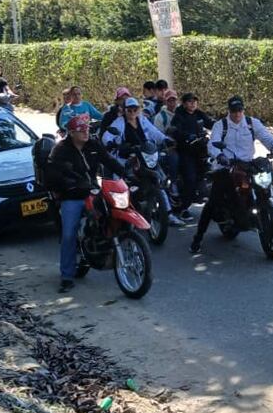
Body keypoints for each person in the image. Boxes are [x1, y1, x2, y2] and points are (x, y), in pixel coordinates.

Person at [189, 96, 273, 253]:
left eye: (239, 110)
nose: (237, 114)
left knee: (271, 175)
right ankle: (198, 238)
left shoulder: (251, 122)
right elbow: (212, 144)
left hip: (247, 163)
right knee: (213, 200)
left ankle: (262, 204)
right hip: (225, 165)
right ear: (229, 110)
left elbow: (266, 137)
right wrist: (219, 155)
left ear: (243, 109)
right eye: (234, 111)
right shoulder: (221, 125)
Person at [43, 114, 127, 293]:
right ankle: (66, 276)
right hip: (72, 196)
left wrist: (127, 173)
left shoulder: (94, 144)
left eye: (87, 129)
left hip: (94, 191)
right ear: (71, 132)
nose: (85, 132)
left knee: (115, 214)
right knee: (69, 234)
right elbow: (51, 176)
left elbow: (109, 161)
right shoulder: (60, 150)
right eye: (81, 130)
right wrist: (69, 184)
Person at [103, 96, 181, 226]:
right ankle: (121, 214)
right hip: (126, 158)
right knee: (120, 184)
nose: (132, 112)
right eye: (129, 110)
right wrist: (110, 143)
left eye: (135, 109)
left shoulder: (143, 120)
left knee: (159, 182)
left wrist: (166, 139)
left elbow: (154, 132)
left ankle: (168, 214)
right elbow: (107, 136)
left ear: (139, 109)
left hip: (145, 155)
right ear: (124, 110)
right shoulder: (119, 122)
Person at [170, 92, 214, 217]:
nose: (193, 103)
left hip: (202, 150)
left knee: (214, 172)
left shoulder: (199, 114)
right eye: (190, 101)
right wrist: (187, 136)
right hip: (186, 152)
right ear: (184, 104)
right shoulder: (179, 116)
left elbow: (210, 123)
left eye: (195, 101)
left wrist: (223, 125)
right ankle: (184, 208)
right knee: (190, 178)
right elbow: (175, 131)